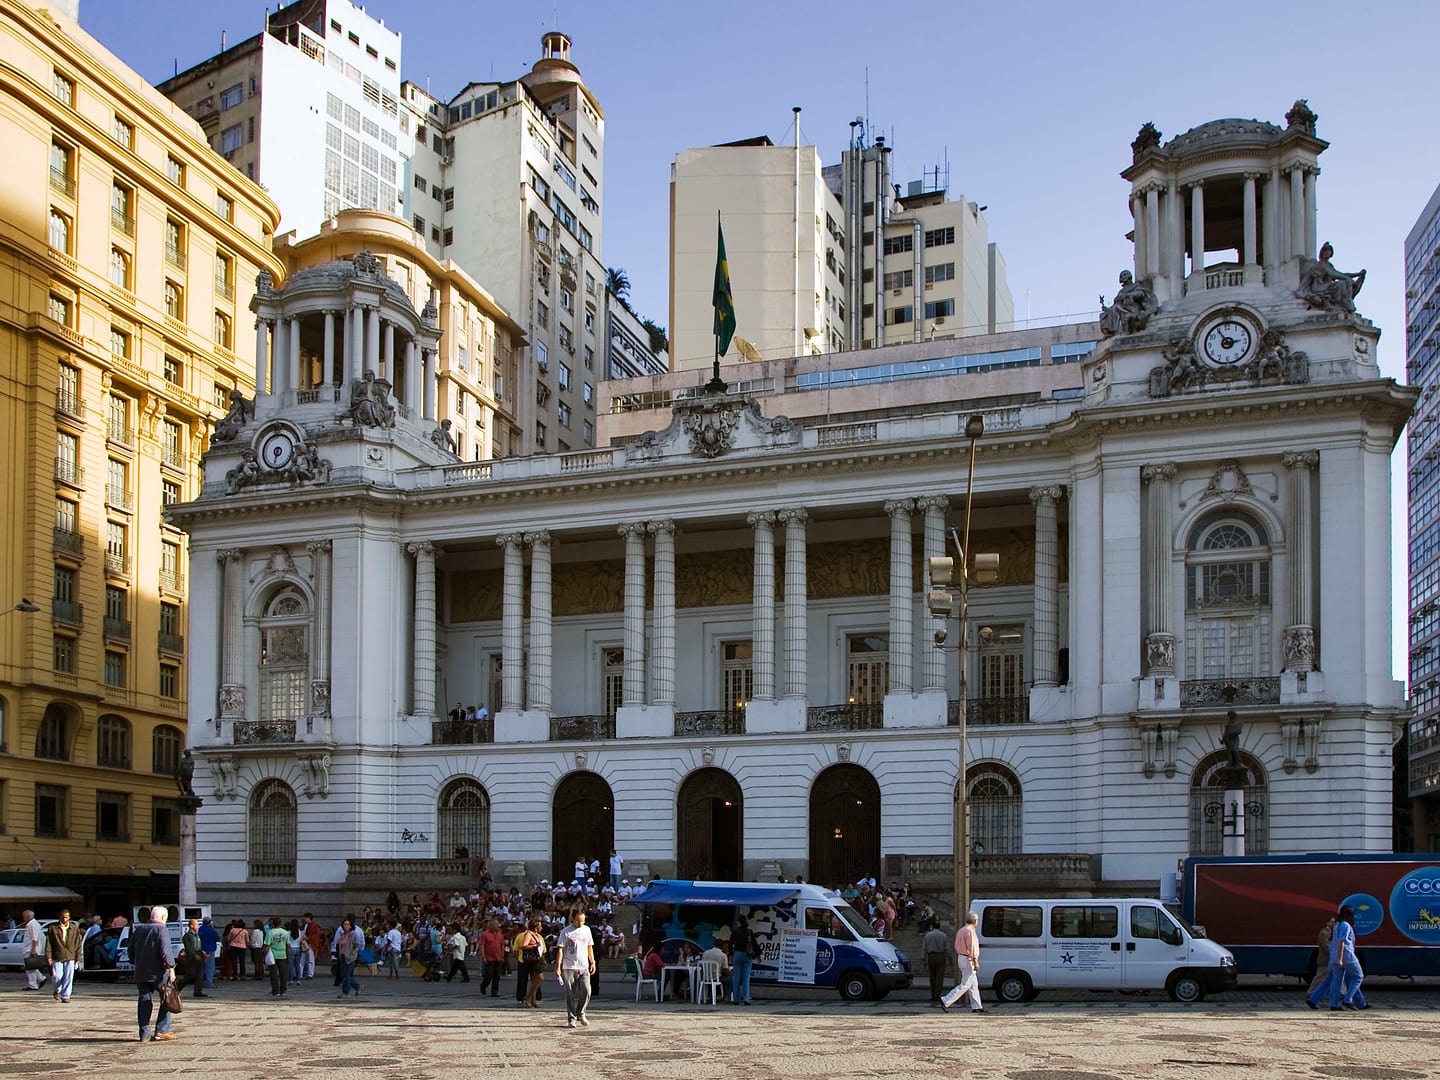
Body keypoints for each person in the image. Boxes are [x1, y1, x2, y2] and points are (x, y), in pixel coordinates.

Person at [131, 905, 178, 1042]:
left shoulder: (138, 929)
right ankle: (161, 1030)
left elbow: (130, 950)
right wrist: (171, 968)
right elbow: (165, 951)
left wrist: (137, 962)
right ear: (163, 917)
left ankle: (144, 1034)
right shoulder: (161, 929)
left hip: (140, 971)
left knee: (144, 1000)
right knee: (168, 998)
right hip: (157, 972)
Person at [556, 906, 596, 1028]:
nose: (580, 923)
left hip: (584, 966)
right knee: (570, 994)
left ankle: (581, 1012)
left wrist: (592, 961)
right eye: (578, 920)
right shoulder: (566, 932)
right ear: (572, 919)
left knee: (586, 990)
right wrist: (558, 966)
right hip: (569, 966)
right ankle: (571, 1018)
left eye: (583, 920)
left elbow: (589, 946)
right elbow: (560, 950)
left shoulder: (587, 930)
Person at [940, 911, 984, 1013]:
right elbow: (972, 947)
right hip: (968, 958)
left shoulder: (961, 930)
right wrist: (975, 960)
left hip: (961, 957)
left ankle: (977, 1006)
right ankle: (946, 1000)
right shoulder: (970, 931)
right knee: (966, 984)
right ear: (975, 921)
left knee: (973, 984)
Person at [1327, 905, 1365, 1011]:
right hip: (1346, 955)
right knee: (1358, 976)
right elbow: (1342, 942)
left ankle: (1333, 1004)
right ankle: (1347, 999)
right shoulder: (1346, 925)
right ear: (1349, 916)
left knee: (1337, 980)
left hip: (1334, 955)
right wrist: (1340, 958)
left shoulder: (1337, 925)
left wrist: (1337, 958)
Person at [45, 909, 83, 1003]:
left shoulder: (74, 928)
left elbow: (77, 944)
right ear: (59, 917)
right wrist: (48, 956)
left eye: (66, 917)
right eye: (62, 917)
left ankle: (65, 996)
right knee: (57, 976)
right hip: (57, 956)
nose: (64, 919)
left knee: (68, 977)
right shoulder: (53, 928)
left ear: (69, 917)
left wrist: (78, 958)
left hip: (70, 956)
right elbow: (49, 944)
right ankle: (57, 990)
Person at [519, 918, 547, 1008]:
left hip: (537, 959)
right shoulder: (528, 934)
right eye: (540, 926)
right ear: (535, 927)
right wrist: (534, 945)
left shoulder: (536, 935)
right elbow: (523, 945)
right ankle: (528, 998)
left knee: (535, 980)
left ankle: (532, 1000)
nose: (541, 927)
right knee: (539, 978)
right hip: (532, 960)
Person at [335, 915, 364, 998]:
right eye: (344, 924)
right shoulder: (343, 934)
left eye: (348, 924)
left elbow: (358, 944)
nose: (346, 926)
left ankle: (345, 992)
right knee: (343, 974)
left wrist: (353, 952)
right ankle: (357, 986)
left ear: (351, 925)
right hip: (343, 956)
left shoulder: (354, 934)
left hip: (350, 957)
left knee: (347, 975)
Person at [921, 921, 950, 1003]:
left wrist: (923, 959)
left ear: (932, 926)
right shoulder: (943, 935)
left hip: (931, 956)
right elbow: (947, 948)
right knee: (939, 977)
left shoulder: (928, 935)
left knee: (932, 976)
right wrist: (950, 958)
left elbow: (924, 947)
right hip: (941, 956)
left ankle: (933, 994)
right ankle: (937, 994)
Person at [730, 915, 754, 1005]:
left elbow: (730, 944)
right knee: (746, 977)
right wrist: (758, 955)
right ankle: (746, 999)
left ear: (739, 922)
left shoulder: (735, 932)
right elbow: (754, 944)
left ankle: (736, 999)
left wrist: (731, 954)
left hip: (737, 954)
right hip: (747, 955)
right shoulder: (749, 932)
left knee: (736, 977)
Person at [479, 918, 506, 997]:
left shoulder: (500, 934)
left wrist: (502, 955)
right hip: (489, 958)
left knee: (497, 976)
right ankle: (483, 985)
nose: (498, 926)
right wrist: (483, 957)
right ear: (491, 925)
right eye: (496, 924)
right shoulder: (485, 934)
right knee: (489, 975)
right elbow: (482, 946)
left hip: (498, 957)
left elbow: (502, 945)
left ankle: (494, 992)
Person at [181, 917, 207, 998]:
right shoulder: (187, 936)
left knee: (200, 975)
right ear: (191, 926)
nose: (198, 926)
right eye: (196, 925)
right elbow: (189, 948)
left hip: (199, 958)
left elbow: (198, 946)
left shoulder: (197, 935)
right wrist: (194, 955)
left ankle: (198, 991)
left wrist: (202, 952)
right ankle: (177, 988)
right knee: (190, 976)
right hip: (191, 959)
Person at [22, 910, 47, 991]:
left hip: (31, 948)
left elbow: (35, 938)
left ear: (28, 916)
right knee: (31, 966)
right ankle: (41, 978)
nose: (23, 918)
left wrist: (33, 949)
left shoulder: (33, 925)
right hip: (29, 948)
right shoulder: (30, 925)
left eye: (24, 916)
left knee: (30, 968)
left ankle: (33, 984)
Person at [265, 915, 289, 996]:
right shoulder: (285, 932)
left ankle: (275, 990)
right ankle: (283, 990)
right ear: (280, 923)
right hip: (283, 954)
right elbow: (288, 945)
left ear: (272, 924)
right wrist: (288, 955)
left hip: (273, 955)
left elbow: (267, 945)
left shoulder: (270, 932)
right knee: (283, 974)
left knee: (273, 974)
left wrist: (264, 954)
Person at [198, 917, 220, 989]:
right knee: (210, 967)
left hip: (202, 949)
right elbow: (217, 938)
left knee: (203, 967)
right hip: (210, 949)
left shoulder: (200, 929)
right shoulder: (211, 930)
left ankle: (202, 982)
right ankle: (208, 982)